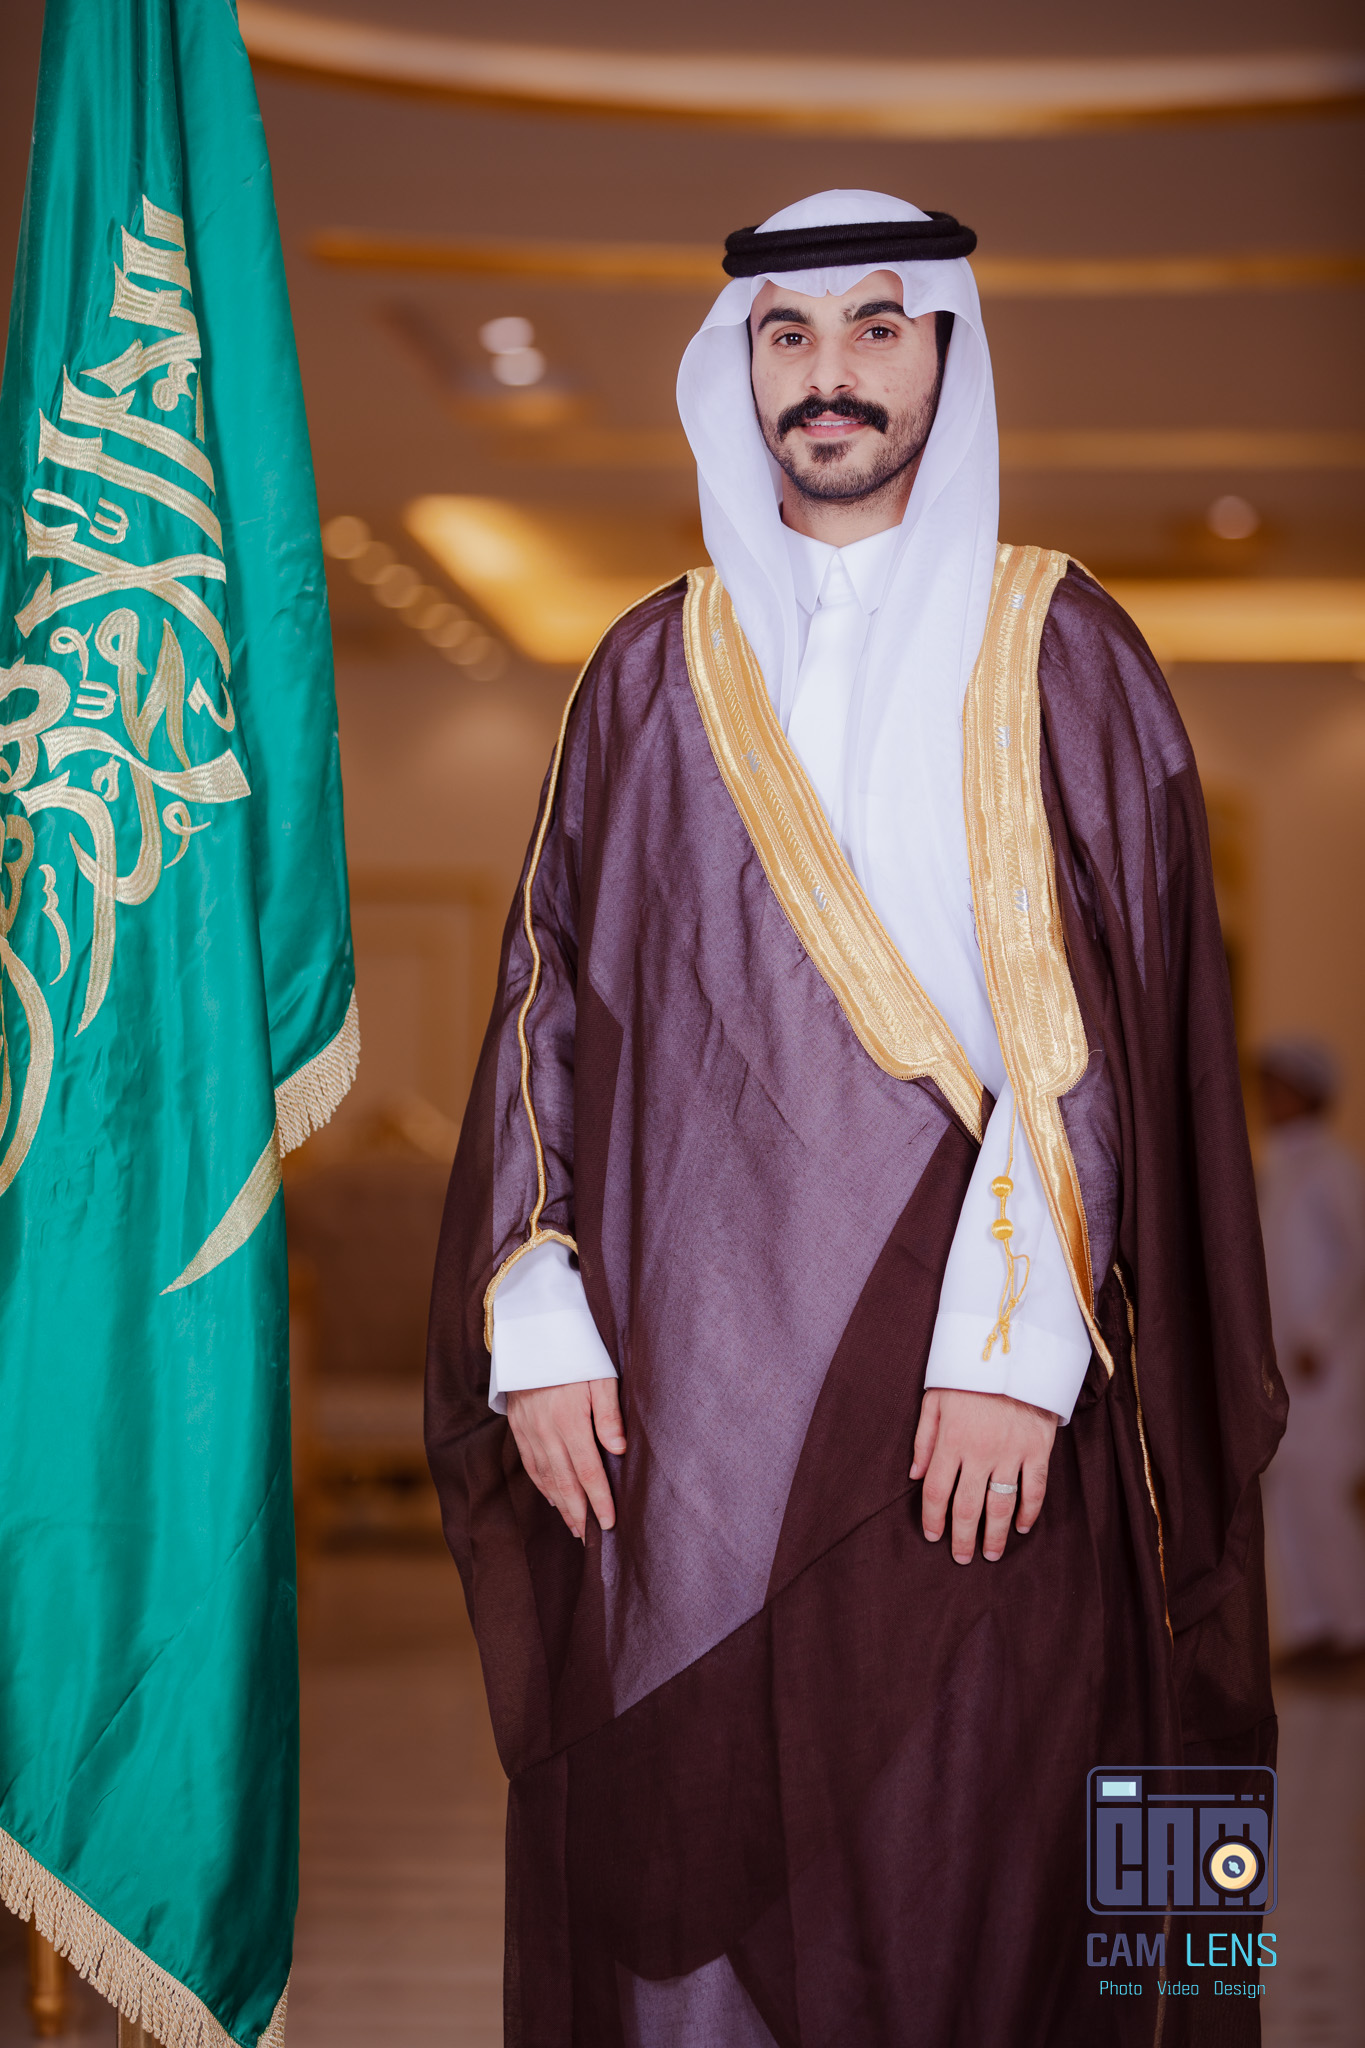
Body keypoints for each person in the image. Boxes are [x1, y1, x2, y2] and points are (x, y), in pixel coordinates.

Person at [426, 191, 1287, 2046]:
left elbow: (1106, 1028)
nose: (829, 375)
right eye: (788, 336)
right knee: (687, 1878)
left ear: (946, 359)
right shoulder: (646, 667)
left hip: (983, 1402)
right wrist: (537, 1310)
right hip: (689, 1422)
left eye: (877, 330)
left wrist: (1011, 1353)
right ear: (736, 370)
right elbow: (542, 995)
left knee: (988, 1861)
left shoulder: (1060, 644)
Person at [1256, 1037, 1365, 1665]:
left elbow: (1357, 1262)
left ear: (1313, 1093)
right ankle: (1310, 1632)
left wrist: (1321, 1335)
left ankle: (1352, 1629)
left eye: (1284, 1086)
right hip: (1282, 1366)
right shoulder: (1277, 1167)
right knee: (1287, 1495)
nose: (1272, 1098)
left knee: (1323, 1496)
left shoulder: (1334, 1168)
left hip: (1327, 1367)